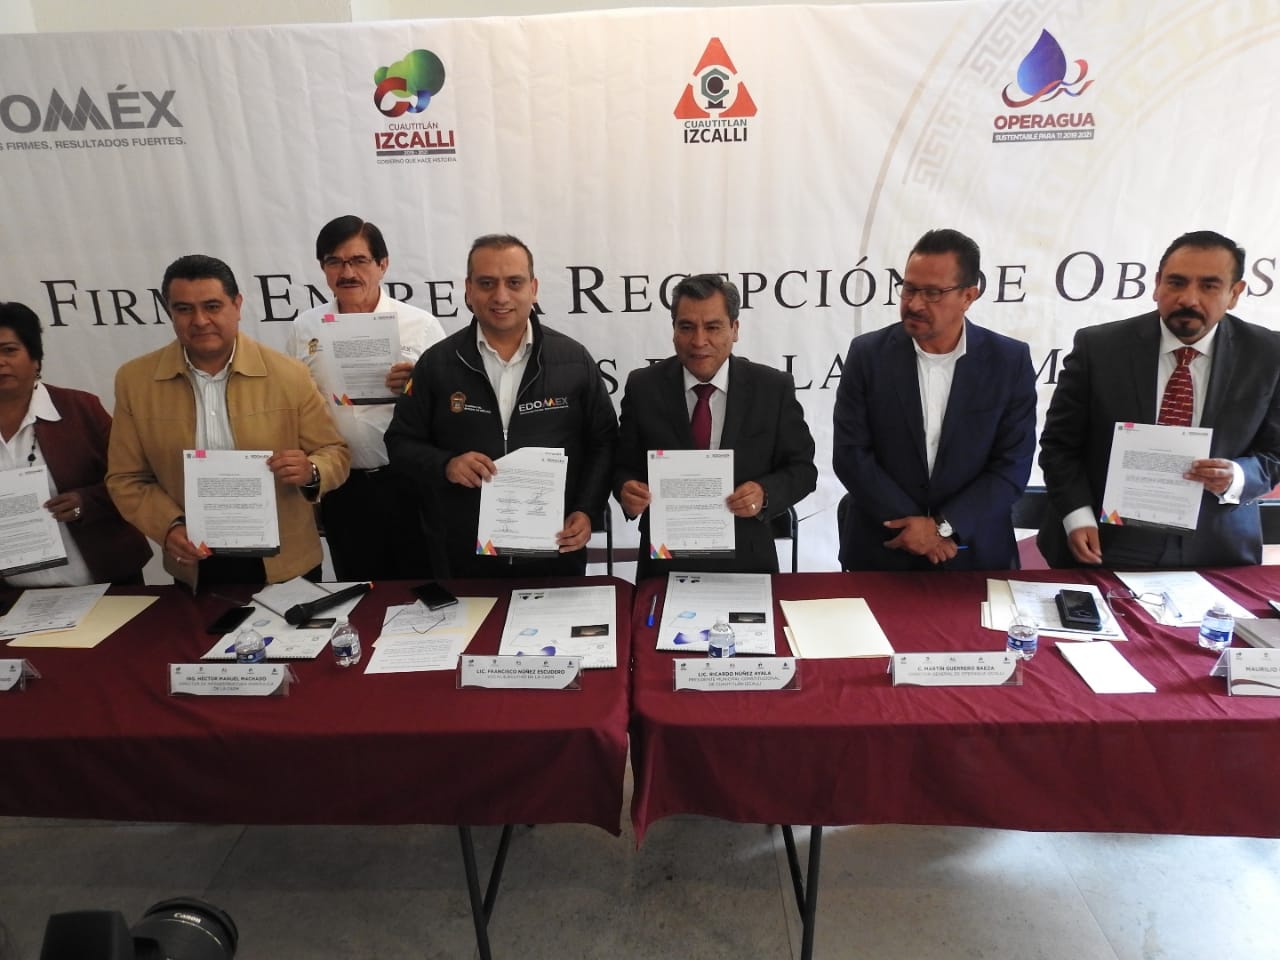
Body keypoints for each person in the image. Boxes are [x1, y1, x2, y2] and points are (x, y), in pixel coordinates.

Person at [1038, 230, 1280, 568]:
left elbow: (1275, 454)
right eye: (1176, 283)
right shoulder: (1100, 348)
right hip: (1104, 541)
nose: (1189, 299)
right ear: (1156, 284)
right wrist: (1077, 515)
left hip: (1216, 547)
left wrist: (1237, 476)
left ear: (1235, 293)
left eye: (1209, 286)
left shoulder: (1268, 354)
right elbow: (1059, 445)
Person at [107, 255, 350, 588]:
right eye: (184, 309)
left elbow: (334, 452)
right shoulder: (135, 381)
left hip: (286, 562)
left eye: (212, 306)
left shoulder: (288, 375)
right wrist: (169, 526)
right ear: (169, 312)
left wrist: (311, 470)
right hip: (194, 560)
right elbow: (126, 478)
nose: (200, 320)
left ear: (237, 305)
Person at [385, 234, 617, 578]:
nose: (501, 296)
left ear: (533, 289)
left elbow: (605, 443)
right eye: (487, 283)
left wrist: (586, 510)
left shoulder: (573, 360)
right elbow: (400, 443)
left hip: (556, 555)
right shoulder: (436, 364)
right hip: (462, 557)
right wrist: (446, 464)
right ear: (468, 290)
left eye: (514, 282)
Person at [833, 228, 1037, 571]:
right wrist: (914, 529)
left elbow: (1011, 465)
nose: (914, 304)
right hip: (884, 550)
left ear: (968, 296)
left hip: (973, 553)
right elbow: (851, 455)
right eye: (909, 289)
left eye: (932, 293)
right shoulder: (867, 355)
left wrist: (942, 526)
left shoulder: (1008, 361)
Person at [613, 274, 817, 579]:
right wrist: (625, 489)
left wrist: (765, 493)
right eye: (686, 327)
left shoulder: (772, 388)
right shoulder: (643, 387)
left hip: (748, 561)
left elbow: (803, 470)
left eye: (713, 327)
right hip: (664, 562)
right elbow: (622, 465)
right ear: (673, 330)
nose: (699, 341)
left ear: (735, 329)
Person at [288, 215, 446, 581]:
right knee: (360, 587)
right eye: (334, 261)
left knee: (426, 586)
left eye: (359, 260)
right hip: (344, 488)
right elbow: (295, 405)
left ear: (382, 264)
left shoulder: (420, 325)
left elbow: (452, 405)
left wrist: (418, 387)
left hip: (411, 484)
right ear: (323, 268)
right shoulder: (305, 328)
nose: (347, 273)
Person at [0, 301, 151, 586]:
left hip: (105, 584)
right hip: (12, 598)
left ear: (35, 358)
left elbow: (137, 478)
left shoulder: (80, 409)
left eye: (9, 350)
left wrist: (87, 503)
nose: (0, 361)